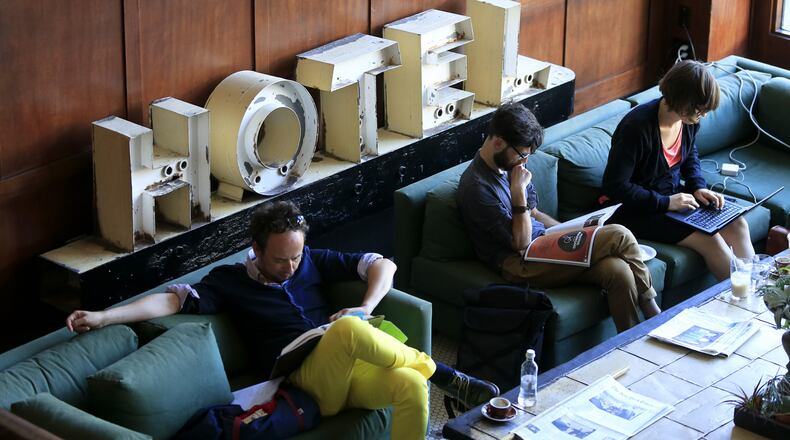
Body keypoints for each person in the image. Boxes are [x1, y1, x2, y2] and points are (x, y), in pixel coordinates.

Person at [66, 201, 498, 440]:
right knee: (348, 330)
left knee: (410, 387)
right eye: (281, 259)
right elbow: (169, 303)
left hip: (350, 371)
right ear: (256, 248)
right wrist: (105, 316)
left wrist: (366, 306)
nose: (292, 266)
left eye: (296, 256)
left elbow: (382, 265)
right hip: (305, 384)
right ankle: (446, 373)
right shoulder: (230, 282)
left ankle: (430, 377)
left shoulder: (309, 259)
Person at [456, 102, 661, 333]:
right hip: (519, 263)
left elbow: (534, 213)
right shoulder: (476, 187)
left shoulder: (511, 164)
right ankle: (655, 314)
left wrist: (575, 231)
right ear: (498, 142)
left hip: (544, 245)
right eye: (522, 155)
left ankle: (633, 340)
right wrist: (517, 193)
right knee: (619, 235)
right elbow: (520, 243)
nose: (525, 162)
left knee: (618, 271)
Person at [601, 60, 754, 281]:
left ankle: (758, 291)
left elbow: (690, 155)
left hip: (670, 199)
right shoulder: (636, 128)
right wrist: (666, 203)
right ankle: (745, 300)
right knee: (710, 239)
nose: (704, 115)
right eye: (700, 109)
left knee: (737, 223)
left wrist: (698, 187)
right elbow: (615, 186)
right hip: (634, 209)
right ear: (683, 102)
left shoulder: (689, 121)